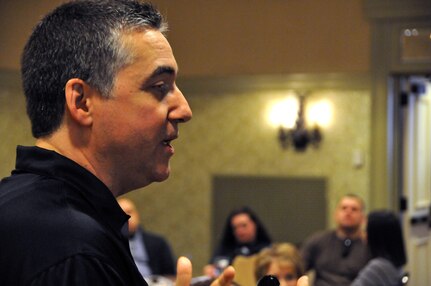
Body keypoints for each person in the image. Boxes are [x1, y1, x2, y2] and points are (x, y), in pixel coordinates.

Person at [0, 1, 239, 285]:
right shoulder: (75, 251)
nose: (184, 110)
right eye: (159, 87)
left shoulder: (16, 204)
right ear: (82, 102)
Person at [300, 194, 371, 286]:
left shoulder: (369, 245)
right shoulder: (318, 241)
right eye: (344, 208)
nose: (348, 212)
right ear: (335, 214)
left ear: (363, 218)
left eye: (354, 209)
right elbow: (297, 268)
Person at [204, 206, 272, 278]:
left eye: (244, 225)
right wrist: (210, 270)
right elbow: (212, 267)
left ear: (255, 225)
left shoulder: (268, 251)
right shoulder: (225, 250)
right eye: (235, 227)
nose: (240, 231)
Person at [118, 198, 176, 278]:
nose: (126, 217)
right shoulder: (106, 246)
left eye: (129, 212)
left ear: (137, 215)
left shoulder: (158, 243)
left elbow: (171, 275)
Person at [351, 210, 407, 286]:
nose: (362, 234)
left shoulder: (378, 267)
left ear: (376, 236)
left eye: (365, 230)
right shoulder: (394, 263)